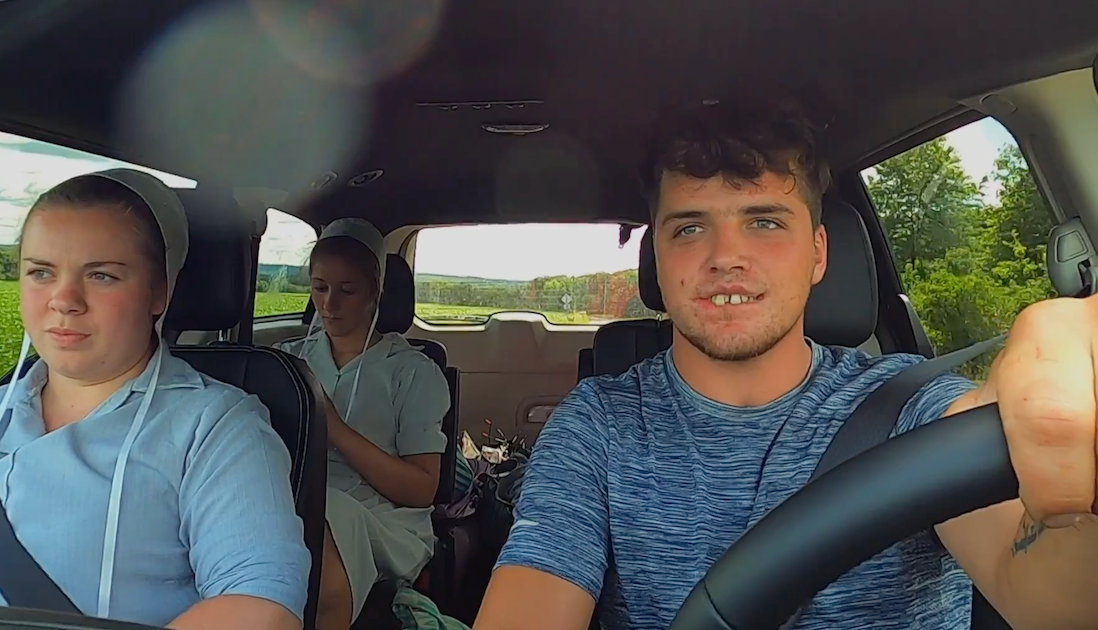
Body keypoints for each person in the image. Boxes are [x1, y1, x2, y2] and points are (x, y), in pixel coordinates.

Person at [472, 100, 1098, 630]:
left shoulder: (915, 407)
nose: (726, 257)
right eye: (689, 229)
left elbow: (1053, 598)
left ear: (818, 254)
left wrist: (1074, 467)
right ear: (656, 262)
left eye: (765, 221)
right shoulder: (599, 424)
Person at [0, 169, 311, 630]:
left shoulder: (215, 428)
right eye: (41, 272)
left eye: (101, 275)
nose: (64, 299)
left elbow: (260, 602)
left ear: (159, 292)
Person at [276, 218, 450, 630]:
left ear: (376, 292)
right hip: (292, 503)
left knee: (322, 511)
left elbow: (421, 489)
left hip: (385, 520)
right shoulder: (286, 360)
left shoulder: (411, 372)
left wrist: (334, 430)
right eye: (320, 288)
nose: (329, 304)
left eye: (347, 290)